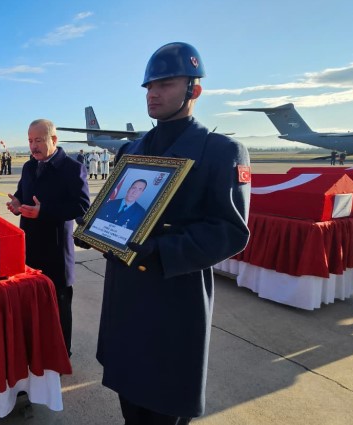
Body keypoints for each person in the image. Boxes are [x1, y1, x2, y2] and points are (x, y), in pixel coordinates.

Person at [89, 42, 251, 424]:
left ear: (194, 89)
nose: (154, 93)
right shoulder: (132, 149)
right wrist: (96, 228)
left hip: (173, 299)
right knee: (130, 399)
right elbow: (117, 206)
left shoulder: (220, 150)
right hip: (126, 297)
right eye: (149, 86)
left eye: (166, 83)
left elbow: (229, 231)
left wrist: (161, 250)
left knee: (164, 404)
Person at [6, 118, 90, 357]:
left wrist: (45, 211)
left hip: (56, 250)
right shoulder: (30, 167)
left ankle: (63, 353)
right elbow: (23, 195)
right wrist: (16, 204)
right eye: (30, 141)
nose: (33, 146)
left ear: (54, 140)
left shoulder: (72, 169)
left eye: (39, 140)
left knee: (60, 303)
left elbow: (83, 208)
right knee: (34, 303)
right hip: (30, 247)